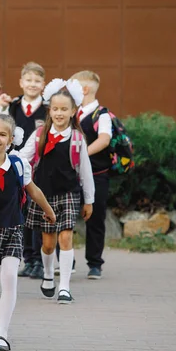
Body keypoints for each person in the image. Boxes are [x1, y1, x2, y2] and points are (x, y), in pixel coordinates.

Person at [0, 113, 54, 351]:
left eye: (2, 134)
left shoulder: (18, 164)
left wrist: (49, 211)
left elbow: (33, 190)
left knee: (9, 278)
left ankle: (3, 334)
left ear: (11, 139)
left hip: (13, 228)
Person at [20, 78, 95, 304]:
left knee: (65, 239)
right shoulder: (40, 135)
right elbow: (23, 156)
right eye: (55, 109)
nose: (60, 113)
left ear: (73, 111)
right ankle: (47, 275)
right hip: (44, 196)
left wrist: (89, 200)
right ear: (49, 111)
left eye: (65, 109)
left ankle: (64, 287)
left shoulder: (77, 139)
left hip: (69, 194)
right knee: (48, 243)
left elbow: (85, 171)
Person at [3, 62, 47, 280]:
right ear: (21, 82)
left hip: (40, 168)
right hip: (14, 166)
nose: (32, 84)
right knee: (22, 211)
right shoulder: (12, 107)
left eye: (37, 81)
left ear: (43, 84)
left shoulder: (48, 109)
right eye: (28, 80)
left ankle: (39, 260)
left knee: (36, 211)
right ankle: (28, 258)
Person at [70, 70, 113, 280]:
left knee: (95, 218)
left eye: (73, 86)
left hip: (97, 175)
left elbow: (104, 140)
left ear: (84, 90)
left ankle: (95, 263)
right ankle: (67, 260)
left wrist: (82, 155)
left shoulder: (101, 115)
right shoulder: (70, 113)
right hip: (70, 175)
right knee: (65, 216)